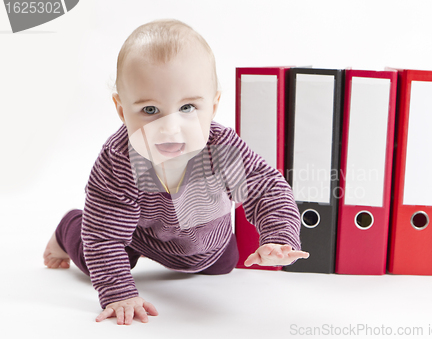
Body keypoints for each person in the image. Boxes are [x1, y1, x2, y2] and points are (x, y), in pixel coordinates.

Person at [43, 19, 309, 326]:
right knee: (103, 259)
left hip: (210, 243)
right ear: (121, 109)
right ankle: (67, 229)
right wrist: (119, 294)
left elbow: (267, 189)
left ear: (213, 105)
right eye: (150, 110)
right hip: (138, 237)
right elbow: (104, 236)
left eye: (188, 108)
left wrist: (278, 236)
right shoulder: (121, 160)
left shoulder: (220, 148)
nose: (170, 128)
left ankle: (202, 257)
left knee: (224, 265)